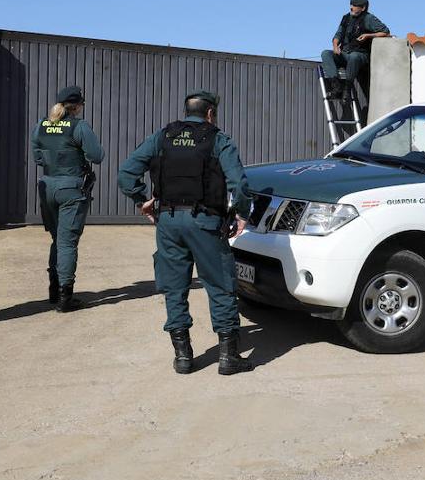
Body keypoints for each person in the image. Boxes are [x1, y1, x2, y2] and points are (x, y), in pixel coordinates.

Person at [117, 90, 256, 375]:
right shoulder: (218, 139)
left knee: (174, 288)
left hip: (168, 222)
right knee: (220, 285)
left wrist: (140, 200)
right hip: (205, 222)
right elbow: (239, 184)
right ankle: (228, 357)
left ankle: (183, 357)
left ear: (186, 111)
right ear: (210, 113)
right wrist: (242, 214)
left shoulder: (163, 136)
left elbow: (126, 173)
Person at [31, 85, 105, 312]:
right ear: (77, 106)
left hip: (48, 185)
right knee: (67, 243)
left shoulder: (42, 125)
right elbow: (97, 156)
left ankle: (54, 289)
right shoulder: (79, 126)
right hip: (71, 188)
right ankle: (65, 297)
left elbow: (37, 155)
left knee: (57, 239)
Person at [320, 0, 390, 100]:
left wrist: (368, 35)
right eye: (351, 4)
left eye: (354, 5)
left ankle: (347, 90)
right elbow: (337, 35)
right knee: (325, 53)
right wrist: (335, 46)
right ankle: (336, 86)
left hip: (360, 56)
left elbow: (385, 32)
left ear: (363, 8)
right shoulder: (346, 18)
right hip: (345, 54)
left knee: (354, 56)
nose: (351, 7)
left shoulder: (368, 18)